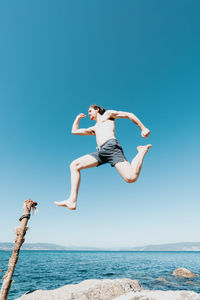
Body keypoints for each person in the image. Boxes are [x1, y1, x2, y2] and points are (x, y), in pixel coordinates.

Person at [54, 105, 152, 210]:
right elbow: (74, 131)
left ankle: (142, 151)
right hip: (100, 152)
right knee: (74, 165)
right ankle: (72, 201)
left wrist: (143, 128)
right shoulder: (94, 128)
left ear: (97, 110)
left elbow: (129, 115)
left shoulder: (108, 115)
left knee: (131, 178)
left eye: (90, 111)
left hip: (111, 148)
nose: (89, 113)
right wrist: (77, 118)